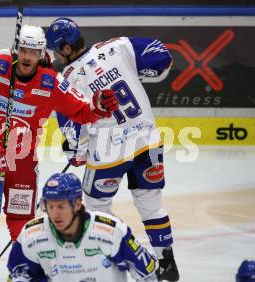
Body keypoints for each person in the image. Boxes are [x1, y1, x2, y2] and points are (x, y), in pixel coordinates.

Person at [0, 24, 119, 281]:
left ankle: (25, 272)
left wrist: (99, 105)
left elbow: (83, 110)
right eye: (23, 50)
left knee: (20, 223)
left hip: (22, 162)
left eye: (33, 52)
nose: (27, 57)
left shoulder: (51, 83)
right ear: (17, 49)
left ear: (42, 55)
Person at [45, 18, 178, 281]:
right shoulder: (117, 46)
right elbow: (162, 56)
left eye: (56, 51)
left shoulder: (68, 79)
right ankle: (168, 265)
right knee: (152, 206)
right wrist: (134, 74)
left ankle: (128, 255)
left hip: (109, 152)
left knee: (96, 206)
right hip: (148, 139)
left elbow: (73, 132)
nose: (56, 57)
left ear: (66, 48)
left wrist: (75, 153)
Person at [7, 172, 159, 281]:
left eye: (61, 206)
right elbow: (19, 273)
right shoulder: (31, 235)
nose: (54, 214)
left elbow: (148, 273)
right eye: (50, 206)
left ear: (77, 204)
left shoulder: (112, 231)